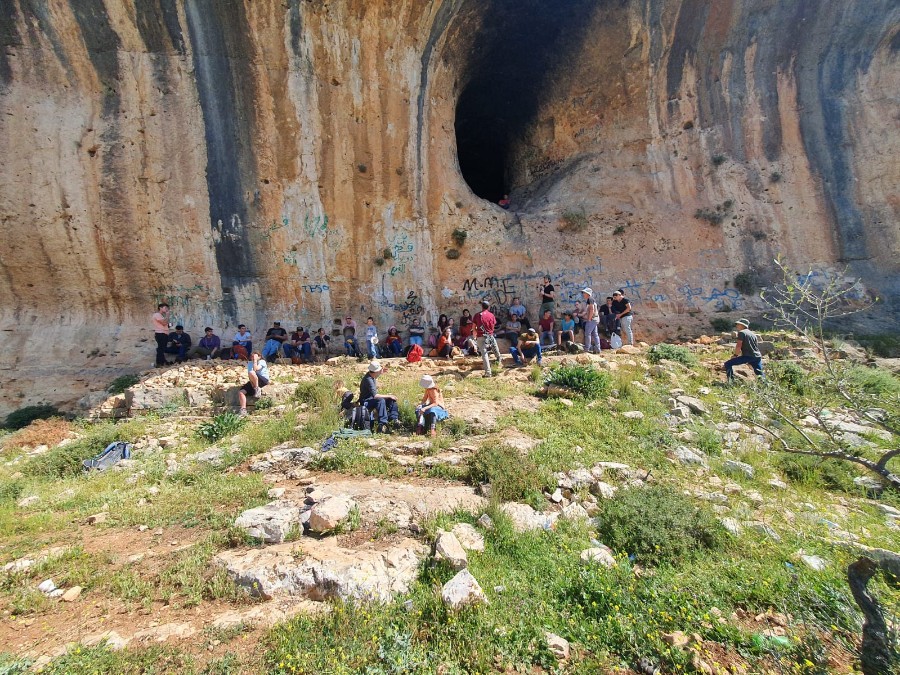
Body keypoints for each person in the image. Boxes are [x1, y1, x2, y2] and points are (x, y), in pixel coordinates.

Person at [359, 361, 399, 433]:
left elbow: (376, 374)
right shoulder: (368, 380)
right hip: (366, 401)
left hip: (371, 399)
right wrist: (389, 395)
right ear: (375, 372)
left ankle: (394, 419)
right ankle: (382, 423)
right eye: (379, 371)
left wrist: (381, 371)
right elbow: (375, 396)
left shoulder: (372, 375)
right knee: (381, 400)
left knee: (391, 400)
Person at [473, 300, 502, 377]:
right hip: (490, 335)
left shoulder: (477, 315)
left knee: (484, 354)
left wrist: (474, 336)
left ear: (481, 307)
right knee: (494, 346)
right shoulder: (491, 315)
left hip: (480, 336)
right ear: (488, 307)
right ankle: (499, 358)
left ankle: (488, 373)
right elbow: (494, 325)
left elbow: (474, 328)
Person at [580, 288, 601, 354]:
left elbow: (591, 309)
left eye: (584, 293)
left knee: (587, 333)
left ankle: (587, 349)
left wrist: (589, 319)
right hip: (595, 319)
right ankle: (598, 349)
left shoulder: (590, 299)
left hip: (592, 319)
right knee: (595, 334)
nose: (583, 294)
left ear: (588, 294)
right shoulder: (590, 299)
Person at [152, 303, 170, 367]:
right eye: (165, 308)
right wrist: (167, 315)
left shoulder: (161, 316)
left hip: (163, 333)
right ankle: (159, 363)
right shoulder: (157, 315)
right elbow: (164, 322)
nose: (167, 309)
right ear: (160, 308)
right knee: (161, 349)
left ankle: (162, 362)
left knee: (162, 349)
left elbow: (165, 324)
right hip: (160, 334)